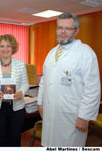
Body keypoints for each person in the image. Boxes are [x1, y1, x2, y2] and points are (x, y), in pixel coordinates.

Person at [37, 12, 101, 146]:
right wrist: (40, 102)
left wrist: (84, 117)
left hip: (72, 116)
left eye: (68, 28)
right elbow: (44, 80)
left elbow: (92, 89)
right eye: (60, 28)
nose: (63, 32)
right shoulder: (52, 53)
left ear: (76, 30)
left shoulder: (85, 53)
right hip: (50, 113)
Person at [0, 34, 29, 146]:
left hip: (17, 108)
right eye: (2, 46)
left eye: (8, 46)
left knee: (15, 138)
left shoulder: (20, 64)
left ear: (13, 48)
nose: (5, 49)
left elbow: (25, 83)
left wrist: (22, 92)